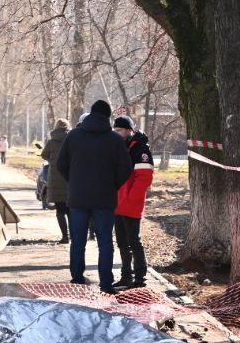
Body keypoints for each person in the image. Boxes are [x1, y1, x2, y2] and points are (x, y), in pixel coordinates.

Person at [55, 100, 131, 293]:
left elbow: (60, 164)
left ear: (90, 114)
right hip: (104, 199)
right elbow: (126, 169)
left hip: (78, 197)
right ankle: (106, 283)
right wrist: (112, 185)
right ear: (107, 118)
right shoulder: (114, 140)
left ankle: (78, 279)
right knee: (105, 241)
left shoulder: (74, 136)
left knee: (78, 240)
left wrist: (74, 181)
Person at [112, 115, 154, 289]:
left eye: (119, 130)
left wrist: (129, 200)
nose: (116, 133)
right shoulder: (118, 148)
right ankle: (126, 277)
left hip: (131, 204)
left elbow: (144, 178)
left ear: (129, 130)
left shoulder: (140, 149)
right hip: (117, 203)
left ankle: (140, 279)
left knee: (134, 242)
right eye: (114, 131)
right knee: (122, 242)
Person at [40, 118, 71, 243]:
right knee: (71, 211)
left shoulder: (52, 142)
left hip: (56, 176)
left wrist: (52, 160)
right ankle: (74, 235)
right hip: (69, 177)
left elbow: (44, 155)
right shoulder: (71, 139)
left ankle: (65, 236)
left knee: (60, 210)